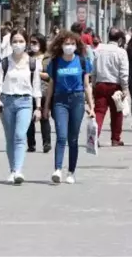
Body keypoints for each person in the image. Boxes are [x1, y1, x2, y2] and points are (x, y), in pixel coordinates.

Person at [44, 30, 94, 184]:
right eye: (66, 44)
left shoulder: (82, 61)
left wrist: (91, 107)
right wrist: (46, 106)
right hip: (60, 100)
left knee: (73, 138)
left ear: (77, 45)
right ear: (61, 45)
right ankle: (57, 169)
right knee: (61, 136)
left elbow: (87, 86)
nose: (69, 46)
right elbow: (51, 85)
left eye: (72, 44)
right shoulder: (55, 62)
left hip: (77, 99)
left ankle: (71, 171)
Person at [0, 29, 42, 185]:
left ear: (26, 42)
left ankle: (18, 170)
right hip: (7, 102)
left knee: (20, 135)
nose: (18, 44)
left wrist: (38, 107)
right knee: (10, 138)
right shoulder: (5, 62)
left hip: (25, 102)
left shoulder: (33, 63)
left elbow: (36, 87)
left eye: (21, 41)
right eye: (15, 41)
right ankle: (12, 170)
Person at [93, 27, 130, 146]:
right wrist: (125, 88)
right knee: (117, 113)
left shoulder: (98, 49)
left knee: (99, 112)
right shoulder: (121, 52)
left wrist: (93, 85)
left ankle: (94, 137)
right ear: (119, 39)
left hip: (100, 84)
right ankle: (115, 139)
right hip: (115, 86)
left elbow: (93, 70)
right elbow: (124, 72)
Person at [27, 33, 52, 153]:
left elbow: (50, 76)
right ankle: (31, 144)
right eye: (31, 42)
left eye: (35, 42)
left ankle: (46, 143)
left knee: (44, 118)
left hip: (44, 91)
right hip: (28, 91)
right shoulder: (27, 56)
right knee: (28, 119)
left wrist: (37, 74)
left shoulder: (48, 58)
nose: (32, 45)